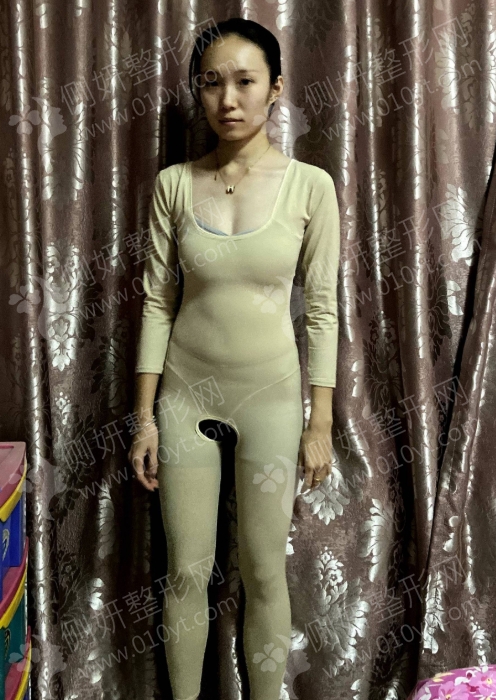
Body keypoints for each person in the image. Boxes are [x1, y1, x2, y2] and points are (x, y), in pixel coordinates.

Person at [127, 17, 340, 700]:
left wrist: (319, 421)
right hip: (185, 396)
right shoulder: (173, 184)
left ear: (275, 88)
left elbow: (322, 310)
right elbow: (156, 303)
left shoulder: (311, 186)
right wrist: (144, 418)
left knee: (264, 572)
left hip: (272, 400)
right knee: (186, 572)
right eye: (212, 82)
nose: (228, 99)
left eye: (245, 81)